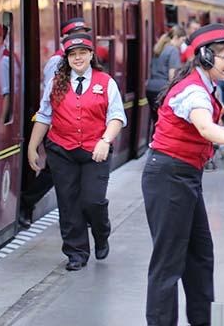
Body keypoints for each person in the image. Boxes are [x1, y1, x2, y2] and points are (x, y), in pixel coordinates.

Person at [142, 24, 224, 326]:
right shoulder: (194, 89)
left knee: (200, 254)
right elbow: (204, 126)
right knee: (168, 262)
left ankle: (201, 320)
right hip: (169, 175)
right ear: (206, 56)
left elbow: (204, 126)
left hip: (183, 176)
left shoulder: (201, 85)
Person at [27, 34, 126, 271]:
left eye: (82, 52)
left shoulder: (106, 82)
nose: (78, 57)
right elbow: (44, 115)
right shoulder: (56, 82)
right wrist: (32, 147)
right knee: (68, 203)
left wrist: (105, 140)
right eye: (72, 54)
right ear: (67, 58)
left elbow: (117, 116)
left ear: (91, 55)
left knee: (93, 201)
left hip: (95, 151)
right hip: (62, 150)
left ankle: (101, 234)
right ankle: (76, 253)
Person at [19, 18, 94, 230]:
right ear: (64, 39)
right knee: (55, 172)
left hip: (75, 126)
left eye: (83, 32)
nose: (80, 37)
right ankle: (26, 203)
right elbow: (51, 97)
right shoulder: (57, 61)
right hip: (58, 126)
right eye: (75, 33)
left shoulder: (84, 60)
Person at [146, 25, 185, 127]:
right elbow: (173, 75)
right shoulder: (173, 51)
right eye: (182, 40)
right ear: (176, 37)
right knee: (163, 123)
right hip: (163, 89)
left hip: (151, 87)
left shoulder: (159, 48)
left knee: (156, 121)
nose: (182, 44)